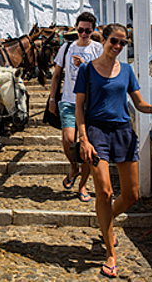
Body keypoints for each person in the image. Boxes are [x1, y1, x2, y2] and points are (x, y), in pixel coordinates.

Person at [73, 23, 152, 278]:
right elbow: (79, 108)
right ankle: (110, 254)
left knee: (132, 196)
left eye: (122, 43)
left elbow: (138, 103)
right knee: (104, 192)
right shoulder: (87, 70)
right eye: (114, 41)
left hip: (123, 132)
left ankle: (106, 222)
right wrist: (83, 138)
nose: (117, 46)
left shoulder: (126, 70)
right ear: (103, 40)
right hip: (96, 132)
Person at [49, 12, 103, 202]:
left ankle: (83, 185)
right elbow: (56, 75)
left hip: (90, 104)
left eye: (87, 31)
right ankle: (74, 167)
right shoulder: (67, 47)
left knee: (86, 146)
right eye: (80, 30)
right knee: (67, 139)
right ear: (76, 29)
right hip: (68, 101)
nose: (83, 34)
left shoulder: (98, 49)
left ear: (93, 30)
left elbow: (104, 75)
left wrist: (86, 65)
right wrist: (52, 99)